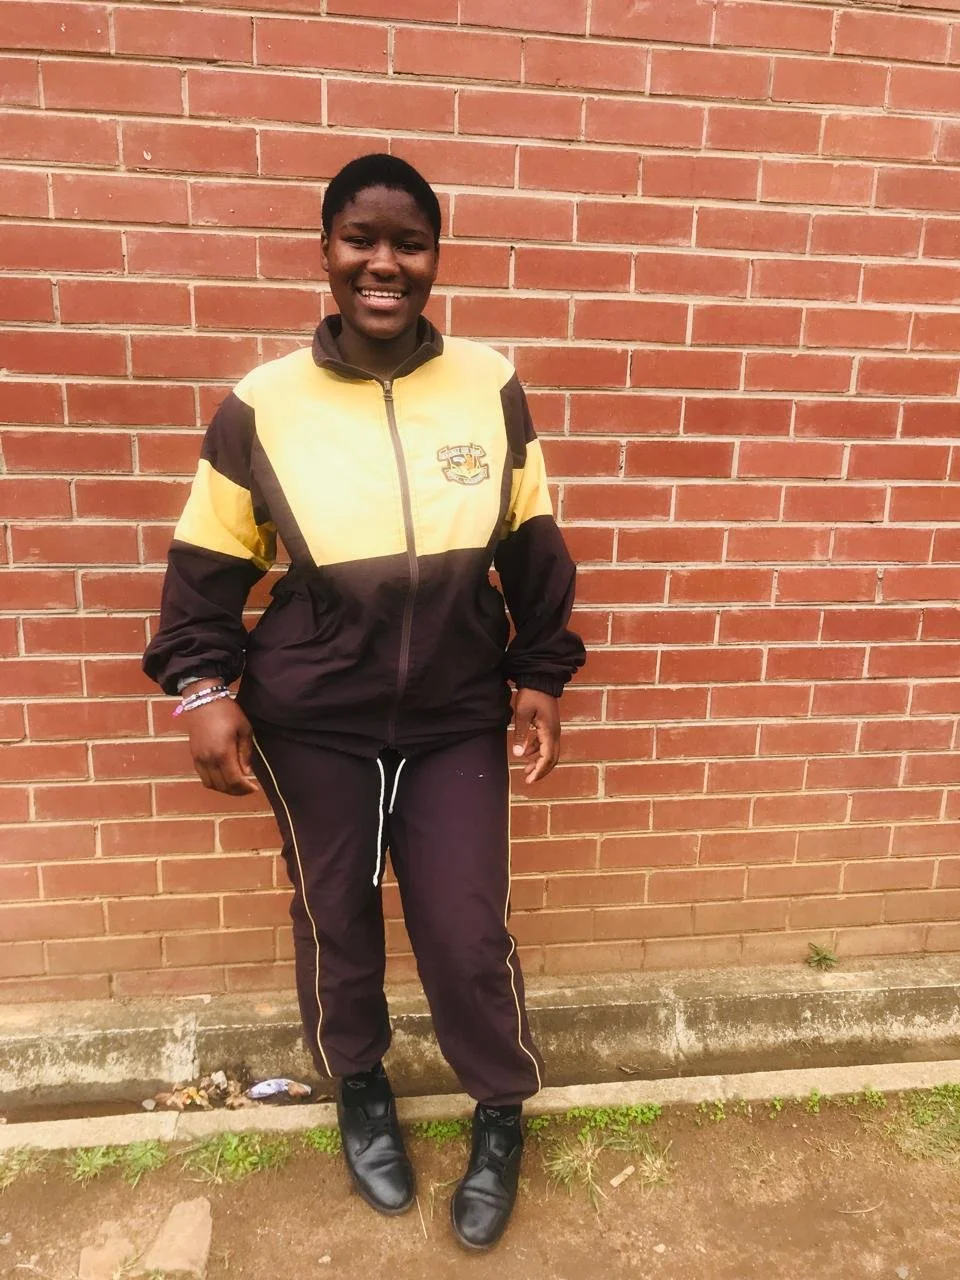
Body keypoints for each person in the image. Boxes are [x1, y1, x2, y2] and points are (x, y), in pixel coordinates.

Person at [143, 152, 585, 1249]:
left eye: (409, 242)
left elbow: (533, 545)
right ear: (328, 252)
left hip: (453, 713)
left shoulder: (489, 383)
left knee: (465, 927)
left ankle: (498, 1110)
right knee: (334, 916)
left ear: (435, 259)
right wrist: (201, 686)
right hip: (314, 719)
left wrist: (538, 673)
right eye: (361, 240)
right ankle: (362, 1086)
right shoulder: (262, 404)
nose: (384, 263)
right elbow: (204, 567)